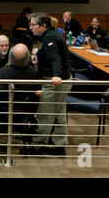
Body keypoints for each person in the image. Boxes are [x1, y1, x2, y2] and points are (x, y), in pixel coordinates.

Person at [29, 12, 72, 156]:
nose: (30, 27)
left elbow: (55, 59)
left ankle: (38, 146)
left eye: (33, 24)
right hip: (63, 81)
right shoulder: (51, 35)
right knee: (59, 113)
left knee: (45, 114)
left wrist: (55, 76)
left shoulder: (50, 38)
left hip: (55, 82)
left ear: (43, 25)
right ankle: (59, 145)